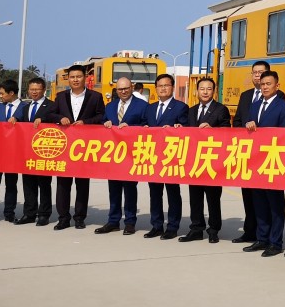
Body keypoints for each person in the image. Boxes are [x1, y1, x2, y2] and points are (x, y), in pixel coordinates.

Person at [44, 64, 105, 230]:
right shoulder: (61, 96)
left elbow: (101, 116)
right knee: (63, 185)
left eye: (78, 76)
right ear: (68, 79)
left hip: (84, 148)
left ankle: (79, 218)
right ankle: (63, 218)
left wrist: (86, 122)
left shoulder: (95, 97)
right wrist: (60, 118)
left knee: (82, 184)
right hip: (65, 147)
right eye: (72, 77)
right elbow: (49, 114)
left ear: (85, 78)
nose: (75, 80)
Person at [243, 70, 285, 257]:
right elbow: (247, 131)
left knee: (275, 204)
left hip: (273, 161)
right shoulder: (254, 105)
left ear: (277, 86)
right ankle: (261, 238)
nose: (265, 87)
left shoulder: (284, 107)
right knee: (259, 202)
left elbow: (284, 135)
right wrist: (248, 126)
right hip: (256, 161)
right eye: (262, 84)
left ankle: (275, 242)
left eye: (268, 84)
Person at [179, 77, 230, 243]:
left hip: (212, 162)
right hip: (194, 161)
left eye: (209, 89)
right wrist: (179, 129)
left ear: (213, 91)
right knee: (195, 197)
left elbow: (227, 132)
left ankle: (214, 229)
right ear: (197, 91)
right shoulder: (191, 111)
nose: (205, 92)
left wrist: (213, 130)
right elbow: (187, 132)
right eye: (202, 89)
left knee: (213, 198)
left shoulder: (221, 109)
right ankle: (196, 228)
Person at [95, 77, 148, 235]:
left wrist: (131, 127)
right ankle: (113, 221)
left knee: (130, 189)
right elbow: (102, 123)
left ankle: (130, 222)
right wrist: (105, 124)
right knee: (114, 189)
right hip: (113, 155)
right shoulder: (110, 106)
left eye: (126, 88)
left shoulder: (143, 106)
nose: (123, 91)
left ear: (132, 87)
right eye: (120, 89)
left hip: (132, 154)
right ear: (116, 90)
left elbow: (147, 126)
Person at [143, 73, 189, 240]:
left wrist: (178, 128)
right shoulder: (150, 108)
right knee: (154, 193)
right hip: (153, 156)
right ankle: (156, 225)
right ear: (156, 88)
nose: (163, 88)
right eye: (160, 86)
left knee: (172, 193)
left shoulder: (181, 107)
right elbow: (143, 125)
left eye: (166, 85)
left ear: (172, 87)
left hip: (171, 157)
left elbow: (186, 128)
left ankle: (172, 227)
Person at [231, 60, 271, 244]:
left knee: (264, 197)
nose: (257, 75)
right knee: (247, 195)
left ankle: (265, 234)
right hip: (246, 153)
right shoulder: (246, 96)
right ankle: (249, 231)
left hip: (265, 154)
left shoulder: (277, 96)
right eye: (254, 72)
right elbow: (238, 121)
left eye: (261, 72)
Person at [13, 77, 55, 225]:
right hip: (27, 152)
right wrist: (14, 119)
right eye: (32, 89)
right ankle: (29, 214)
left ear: (44, 90)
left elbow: (56, 122)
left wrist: (44, 121)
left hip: (44, 151)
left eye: (37, 89)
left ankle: (44, 214)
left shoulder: (51, 106)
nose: (34, 92)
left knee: (44, 184)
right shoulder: (25, 107)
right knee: (28, 184)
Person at [0, 79, 23, 222]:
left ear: (11, 93)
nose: (0, 96)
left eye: (2, 93)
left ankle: (9, 212)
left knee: (11, 184)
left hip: (14, 152)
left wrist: (18, 120)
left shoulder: (25, 107)